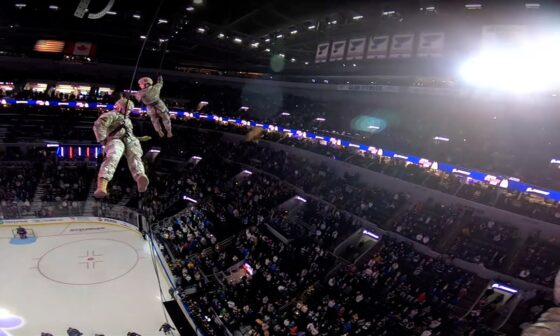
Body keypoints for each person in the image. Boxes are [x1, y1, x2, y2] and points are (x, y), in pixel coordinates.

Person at [93, 98, 151, 198]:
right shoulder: (112, 114)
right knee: (114, 155)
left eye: (129, 110)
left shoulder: (128, 120)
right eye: (127, 108)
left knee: (135, 155)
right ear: (119, 107)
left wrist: (140, 138)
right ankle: (102, 185)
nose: (128, 111)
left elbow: (127, 133)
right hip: (115, 139)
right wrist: (102, 140)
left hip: (129, 140)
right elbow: (99, 124)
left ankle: (140, 176)